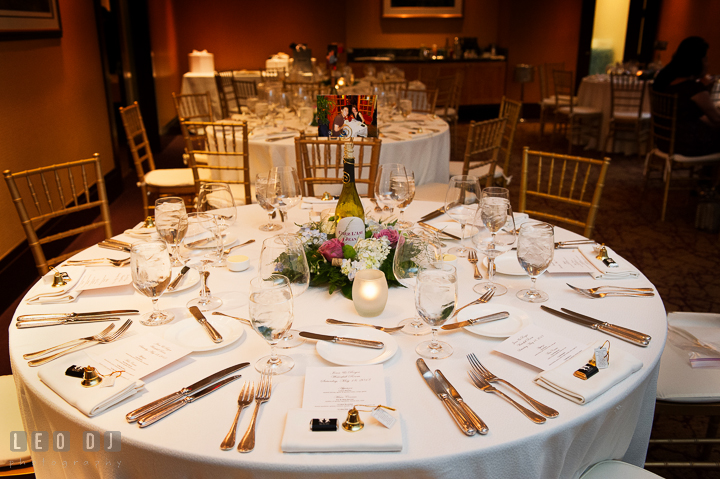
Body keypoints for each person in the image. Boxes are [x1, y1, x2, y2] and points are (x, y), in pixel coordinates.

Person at [652, 36, 720, 156]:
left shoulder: (665, 80)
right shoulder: (693, 89)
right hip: (686, 144)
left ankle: (707, 174)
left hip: (664, 140)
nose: (708, 64)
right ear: (696, 62)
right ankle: (709, 174)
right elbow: (716, 119)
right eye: (705, 60)